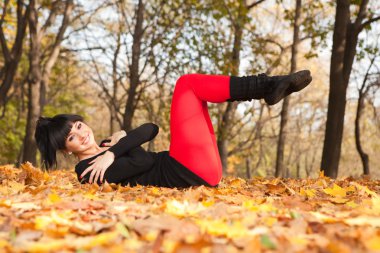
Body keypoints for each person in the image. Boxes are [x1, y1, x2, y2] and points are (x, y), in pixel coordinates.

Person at [34, 71, 312, 188]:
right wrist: (114, 151)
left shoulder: (109, 145)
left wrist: (116, 146)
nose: (82, 134)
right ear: (66, 149)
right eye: (72, 137)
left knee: (198, 95)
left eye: (79, 126)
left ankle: (273, 85)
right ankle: (268, 85)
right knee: (187, 85)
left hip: (199, 169)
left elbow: (150, 129)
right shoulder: (87, 172)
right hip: (186, 170)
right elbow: (143, 160)